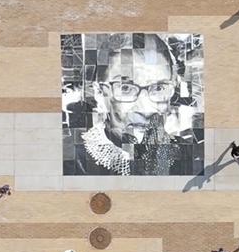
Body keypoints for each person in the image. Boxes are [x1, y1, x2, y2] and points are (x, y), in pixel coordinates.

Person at [66, 33, 201, 176]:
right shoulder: (72, 162)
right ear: (100, 93)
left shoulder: (190, 156)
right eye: (126, 88)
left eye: (159, 87)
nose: (146, 109)